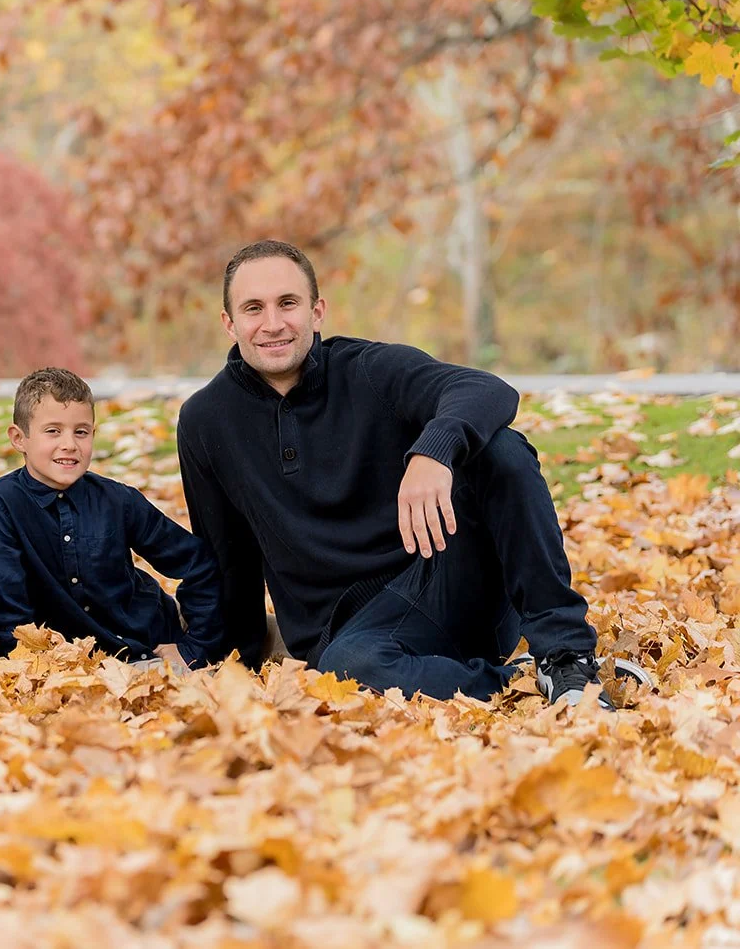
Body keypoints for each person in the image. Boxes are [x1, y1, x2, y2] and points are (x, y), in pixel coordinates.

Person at [176, 240, 644, 708]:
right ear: (229, 323)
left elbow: (485, 388)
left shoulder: (370, 370)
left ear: (317, 312)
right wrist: (224, 661)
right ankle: (518, 683)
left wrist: (432, 453)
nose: (273, 323)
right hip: (353, 639)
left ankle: (564, 658)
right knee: (349, 670)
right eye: (253, 308)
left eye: (288, 303)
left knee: (500, 449)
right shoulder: (205, 422)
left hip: (450, 583)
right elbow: (226, 561)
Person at [0, 368, 227, 665]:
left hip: (145, 645)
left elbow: (197, 563)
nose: (70, 444)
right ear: (19, 438)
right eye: (53, 431)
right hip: (64, 660)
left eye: (81, 432)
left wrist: (194, 648)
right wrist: (32, 664)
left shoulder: (118, 500)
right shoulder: (3, 502)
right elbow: (11, 605)